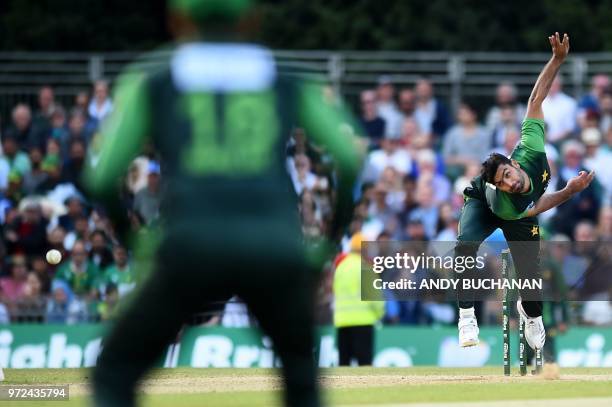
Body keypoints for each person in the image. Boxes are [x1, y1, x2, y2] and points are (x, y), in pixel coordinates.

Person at [86, 1, 362, 406]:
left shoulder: (156, 77)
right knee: (302, 380)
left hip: (190, 245)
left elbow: (101, 174)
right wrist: (324, 246)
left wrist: (135, 241)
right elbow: (350, 156)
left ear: (177, 18)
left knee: (113, 375)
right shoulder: (284, 76)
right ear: (253, 17)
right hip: (274, 247)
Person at [454, 33, 595, 355]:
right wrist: (568, 191)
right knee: (465, 245)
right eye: (503, 182)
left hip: (522, 210)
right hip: (485, 205)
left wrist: (557, 60)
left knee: (531, 277)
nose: (511, 182)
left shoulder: (530, 148)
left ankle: (532, 317)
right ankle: (466, 316)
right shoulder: (503, 199)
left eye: (509, 174)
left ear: (515, 163)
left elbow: (535, 100)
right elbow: (537, 206)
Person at [333, 233, 384, 366]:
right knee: (365, 365)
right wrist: (379, 314)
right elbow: (375, 298)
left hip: (342, 322)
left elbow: (335, 292)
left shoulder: (341, 268)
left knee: (343, 364)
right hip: (363, 322)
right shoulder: (366, 268)